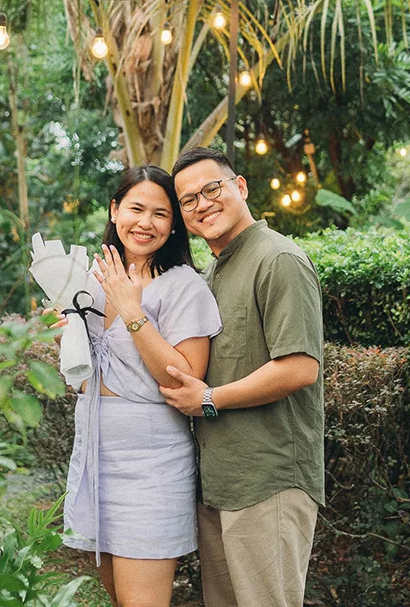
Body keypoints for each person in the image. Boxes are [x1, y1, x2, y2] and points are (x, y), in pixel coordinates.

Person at [161, 147, 324, 607]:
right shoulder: (214, 270)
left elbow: (299, 367)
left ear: (240, 187)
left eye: (211, 189)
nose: (202, 204)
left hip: (266, 480)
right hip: (221, 483)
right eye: (188, 200)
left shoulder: (277, 259)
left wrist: (209, 398)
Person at [54, 165, 223, 607]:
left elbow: (185, 379)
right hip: (95, 454)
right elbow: (88, 370)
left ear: (174, 225)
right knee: (115, 592)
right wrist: (63, 335)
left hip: (151, 465)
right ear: (114, 210)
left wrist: (132, 310)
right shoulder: (94, 279)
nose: (145, 223)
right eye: (135, 209)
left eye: (160, 214)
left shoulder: (183, 286)